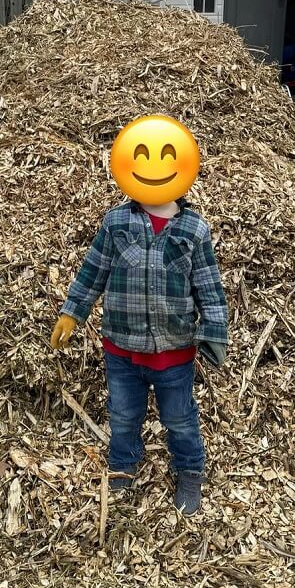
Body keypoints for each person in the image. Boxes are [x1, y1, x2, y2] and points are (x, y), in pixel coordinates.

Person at [49, 115, 228, 516]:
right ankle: (123, 468)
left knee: (180, 418)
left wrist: (215, 329)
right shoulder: (116, 223)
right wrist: (72, 312)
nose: (153, 167)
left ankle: (189, 471)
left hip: (174, 352)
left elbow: (208, 285)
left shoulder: (195, 229)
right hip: (121, 349)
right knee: (123, 415)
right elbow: (93, 271)